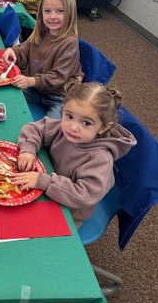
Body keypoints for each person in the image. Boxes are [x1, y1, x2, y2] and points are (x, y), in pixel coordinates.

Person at [12, 82, 135, 226]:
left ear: (103, 127)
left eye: (86, 123)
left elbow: (83, 196)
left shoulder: (100, 159)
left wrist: (44, 182)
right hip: (44, 185)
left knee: (25, 233)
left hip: (69, 210)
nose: (74, 127)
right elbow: (34, 129)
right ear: (63, 110)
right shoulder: (63, 128)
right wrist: (28, 149)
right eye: (69, 116)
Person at [1, 0, 81, 119]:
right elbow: (25, 49)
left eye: (60, 11)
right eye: (47, 11)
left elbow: (58, 77)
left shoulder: (70, 42)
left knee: (50, 128)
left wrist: (31, 81)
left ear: (70, 13)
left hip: (59, 97)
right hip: (37, 89)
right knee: (6, 94)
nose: (52, 16)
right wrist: (13, 52)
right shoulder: (41, 32)